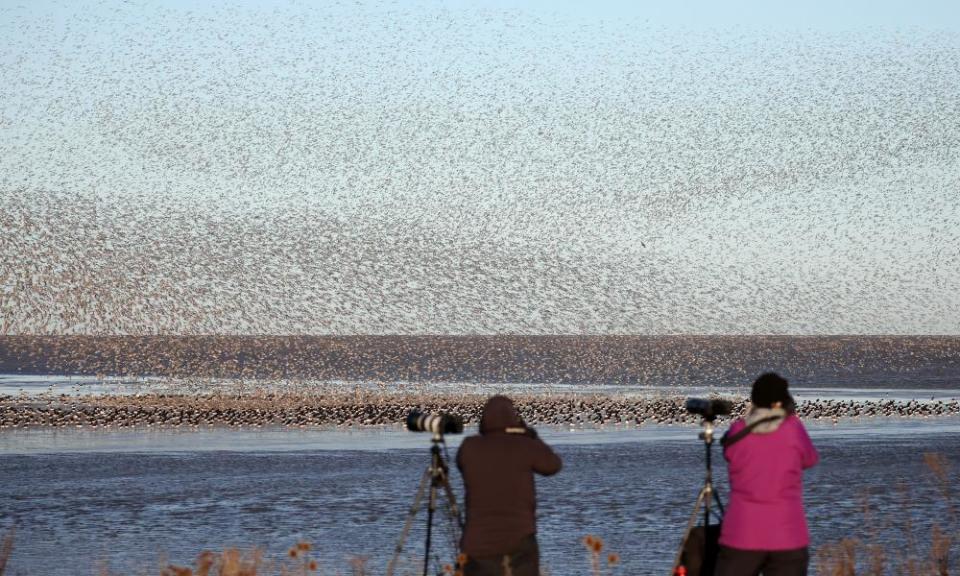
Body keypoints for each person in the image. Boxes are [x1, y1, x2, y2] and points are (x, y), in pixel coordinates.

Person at [716, 373, 819, 576]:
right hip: (788, 535)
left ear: (754, 399)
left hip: (742, 533)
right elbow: (810, 459)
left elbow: (728, 453)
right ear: (783, 401)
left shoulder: (739, 429)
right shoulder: (793, 429)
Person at [456, 395, 562, 576]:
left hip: (477, 545)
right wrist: (530, 435)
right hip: (519, 543)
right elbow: (553, 465)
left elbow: (461, 463)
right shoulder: (525, 446)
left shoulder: (469, 447)